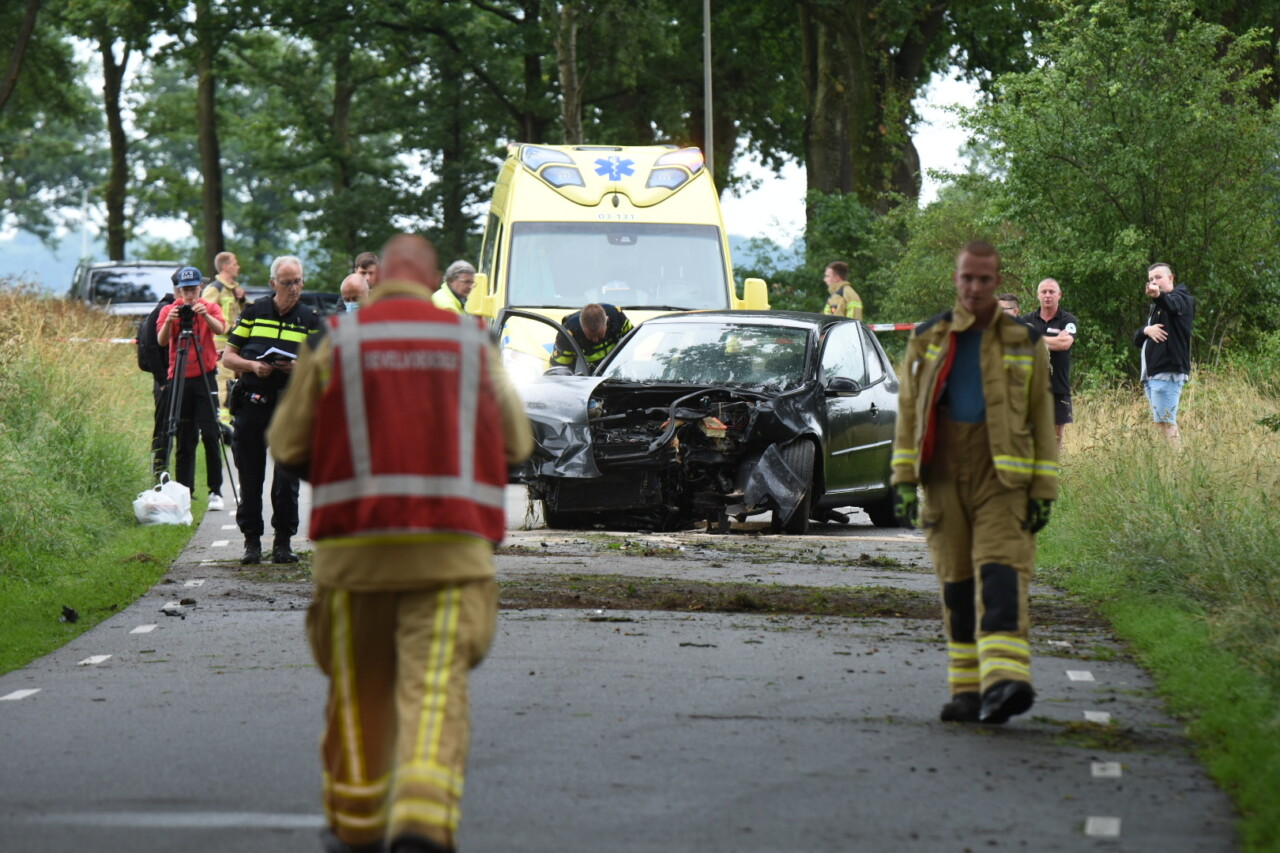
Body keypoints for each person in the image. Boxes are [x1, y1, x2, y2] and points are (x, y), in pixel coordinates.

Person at [268, 234, 533, 853]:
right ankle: (421, 819)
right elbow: (517, 444)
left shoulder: (334, 341)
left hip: (353, 554)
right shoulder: (473, 344)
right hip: (451, 554)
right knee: (433, 684)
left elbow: (286, 446)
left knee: (359, 687)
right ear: (437, 278)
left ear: (378, 278)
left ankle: (357, 827)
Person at [891, 240, 1058, 726]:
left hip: (1003, 475)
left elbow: (1041, 418)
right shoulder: (927, 339)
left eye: (985, 279)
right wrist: (903, 479)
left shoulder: (1025, 343)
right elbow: (907, 414)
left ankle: (1006, 681)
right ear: (956, 278)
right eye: (967, 277)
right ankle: (967, 691)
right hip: (943, 475)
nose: (975, 287)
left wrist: (1044, 489)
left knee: (1002, 575)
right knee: (958, 585)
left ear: (997, 282)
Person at [221, 255, 322, 564]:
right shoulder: (254, 313)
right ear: (273, 283)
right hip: (254, 401)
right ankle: (252, 541)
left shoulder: (311, 318)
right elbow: (228, 357)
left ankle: (283, 542)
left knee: (287, 477)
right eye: (288, 282)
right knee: (250, 475)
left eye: (298, 281)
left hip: (291, 404)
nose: (294, 288)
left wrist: (299, 366)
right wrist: (253, 365)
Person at [156, 266, 227, 509]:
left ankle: (215, 490)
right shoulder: (170, 309)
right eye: (185, 290)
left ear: (200, 288)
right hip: (179, 377)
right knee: (184, 437)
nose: (189, 295)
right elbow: (162, 341)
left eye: (193, 289)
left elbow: (221, 329)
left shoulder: (210, 306)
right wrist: (169, 320)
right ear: (179, 290)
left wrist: (205, 314)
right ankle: (185, 491)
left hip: (205, 376)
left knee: (210, 434)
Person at [1133, 262, 1194, 446]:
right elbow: (1136, 339)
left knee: (1166, 423)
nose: (1154, 282)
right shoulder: (1157, 307)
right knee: (1161, 423)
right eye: (1151, 279)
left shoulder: (1182, 299)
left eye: (1158, 277)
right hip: (1153, 373)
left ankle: (1176, 468)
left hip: (1168, 371)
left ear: (1171, 278)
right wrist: (1146, 330)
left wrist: (1158, 295)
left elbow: (1173, 305)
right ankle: (1169, 465)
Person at [1019, 278, 1078, 451]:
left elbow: (1065, 344)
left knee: (1056, 436)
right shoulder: (1026, 320)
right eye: (1043, 292)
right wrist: (1052, 340)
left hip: (1058, 385)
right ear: (1038, 295)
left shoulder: (1068, 320)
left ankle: (1058, 472)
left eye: (1051, 291)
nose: (1047, 295)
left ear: (1059, 295)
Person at [201, 251, 247, 426]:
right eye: (235, 263)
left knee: (237, 379)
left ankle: (234, 418)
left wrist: (241, 299)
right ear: (226, 266)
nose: (238, 267)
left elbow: (243, 313)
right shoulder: (215, 288)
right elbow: (204, 312)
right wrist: (227, 327)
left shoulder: (233, 289)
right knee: (224, 380)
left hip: (235, 343)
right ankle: (223, 422)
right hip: (220, 344)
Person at [139, 277, 177, 476]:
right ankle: (160, 474)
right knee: (164, 428)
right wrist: (163, 381)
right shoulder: (162, 310)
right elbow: (151, 349)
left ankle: (171, 476)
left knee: (175, 428)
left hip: (179, 378)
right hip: (166, 380)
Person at [550, 302, 633, 369]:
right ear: (582, 327)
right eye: (590, 337)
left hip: (619, 369)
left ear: (607, 321)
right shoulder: (568, 335)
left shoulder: (617, 317)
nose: (595, 340)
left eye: (600, 336)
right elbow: (559, 369)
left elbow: (633, 341)